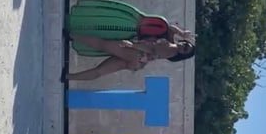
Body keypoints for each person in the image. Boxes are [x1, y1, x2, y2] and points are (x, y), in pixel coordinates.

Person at [65, 31, 195, 81]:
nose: (183, 45)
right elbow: (170, 28)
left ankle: (72, 35)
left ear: (182, 54)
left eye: (185, 49)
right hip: (137, 61)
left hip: (136, 53)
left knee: (102, 44)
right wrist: (182, 33)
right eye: (185, 44)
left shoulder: (171, 49)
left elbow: (151, 49)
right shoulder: (171, 46)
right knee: (100, 71)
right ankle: (68, 77)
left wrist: (132, 45)